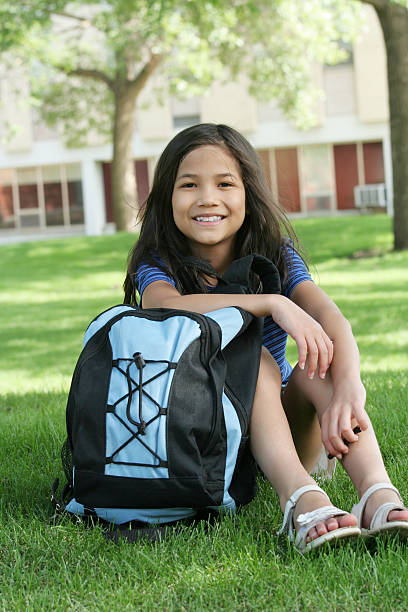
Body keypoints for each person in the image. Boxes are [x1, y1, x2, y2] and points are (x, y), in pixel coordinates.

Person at [123, 123, 408, 553]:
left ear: (248, 193)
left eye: (225, 183)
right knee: (256, 360)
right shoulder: (158, 261)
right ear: (167, 196)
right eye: (189, 185)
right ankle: (301, 498)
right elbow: (163, 306)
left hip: (284, 432)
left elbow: (332, 319)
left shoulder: (272, 252)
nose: (207, 198)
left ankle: (376, 492)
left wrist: (350, 385)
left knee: (317, 363)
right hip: (205, 440)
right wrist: (270, 303)